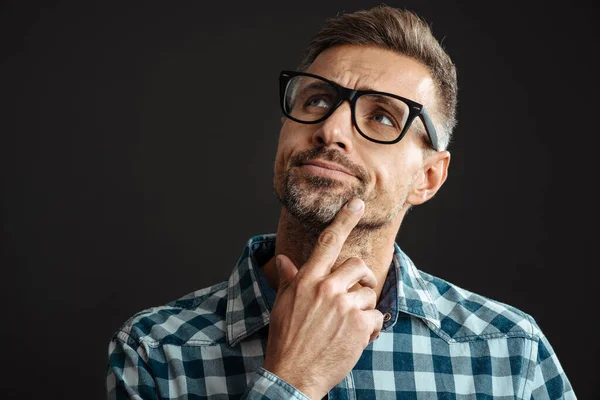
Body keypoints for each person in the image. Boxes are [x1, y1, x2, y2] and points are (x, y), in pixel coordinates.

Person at [106, 5, 575, 399]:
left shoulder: (509, 353)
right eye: (316, 100)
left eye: (383, 117)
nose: (331, 130)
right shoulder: (157, 351)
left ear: (428, 178)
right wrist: (292, 381)